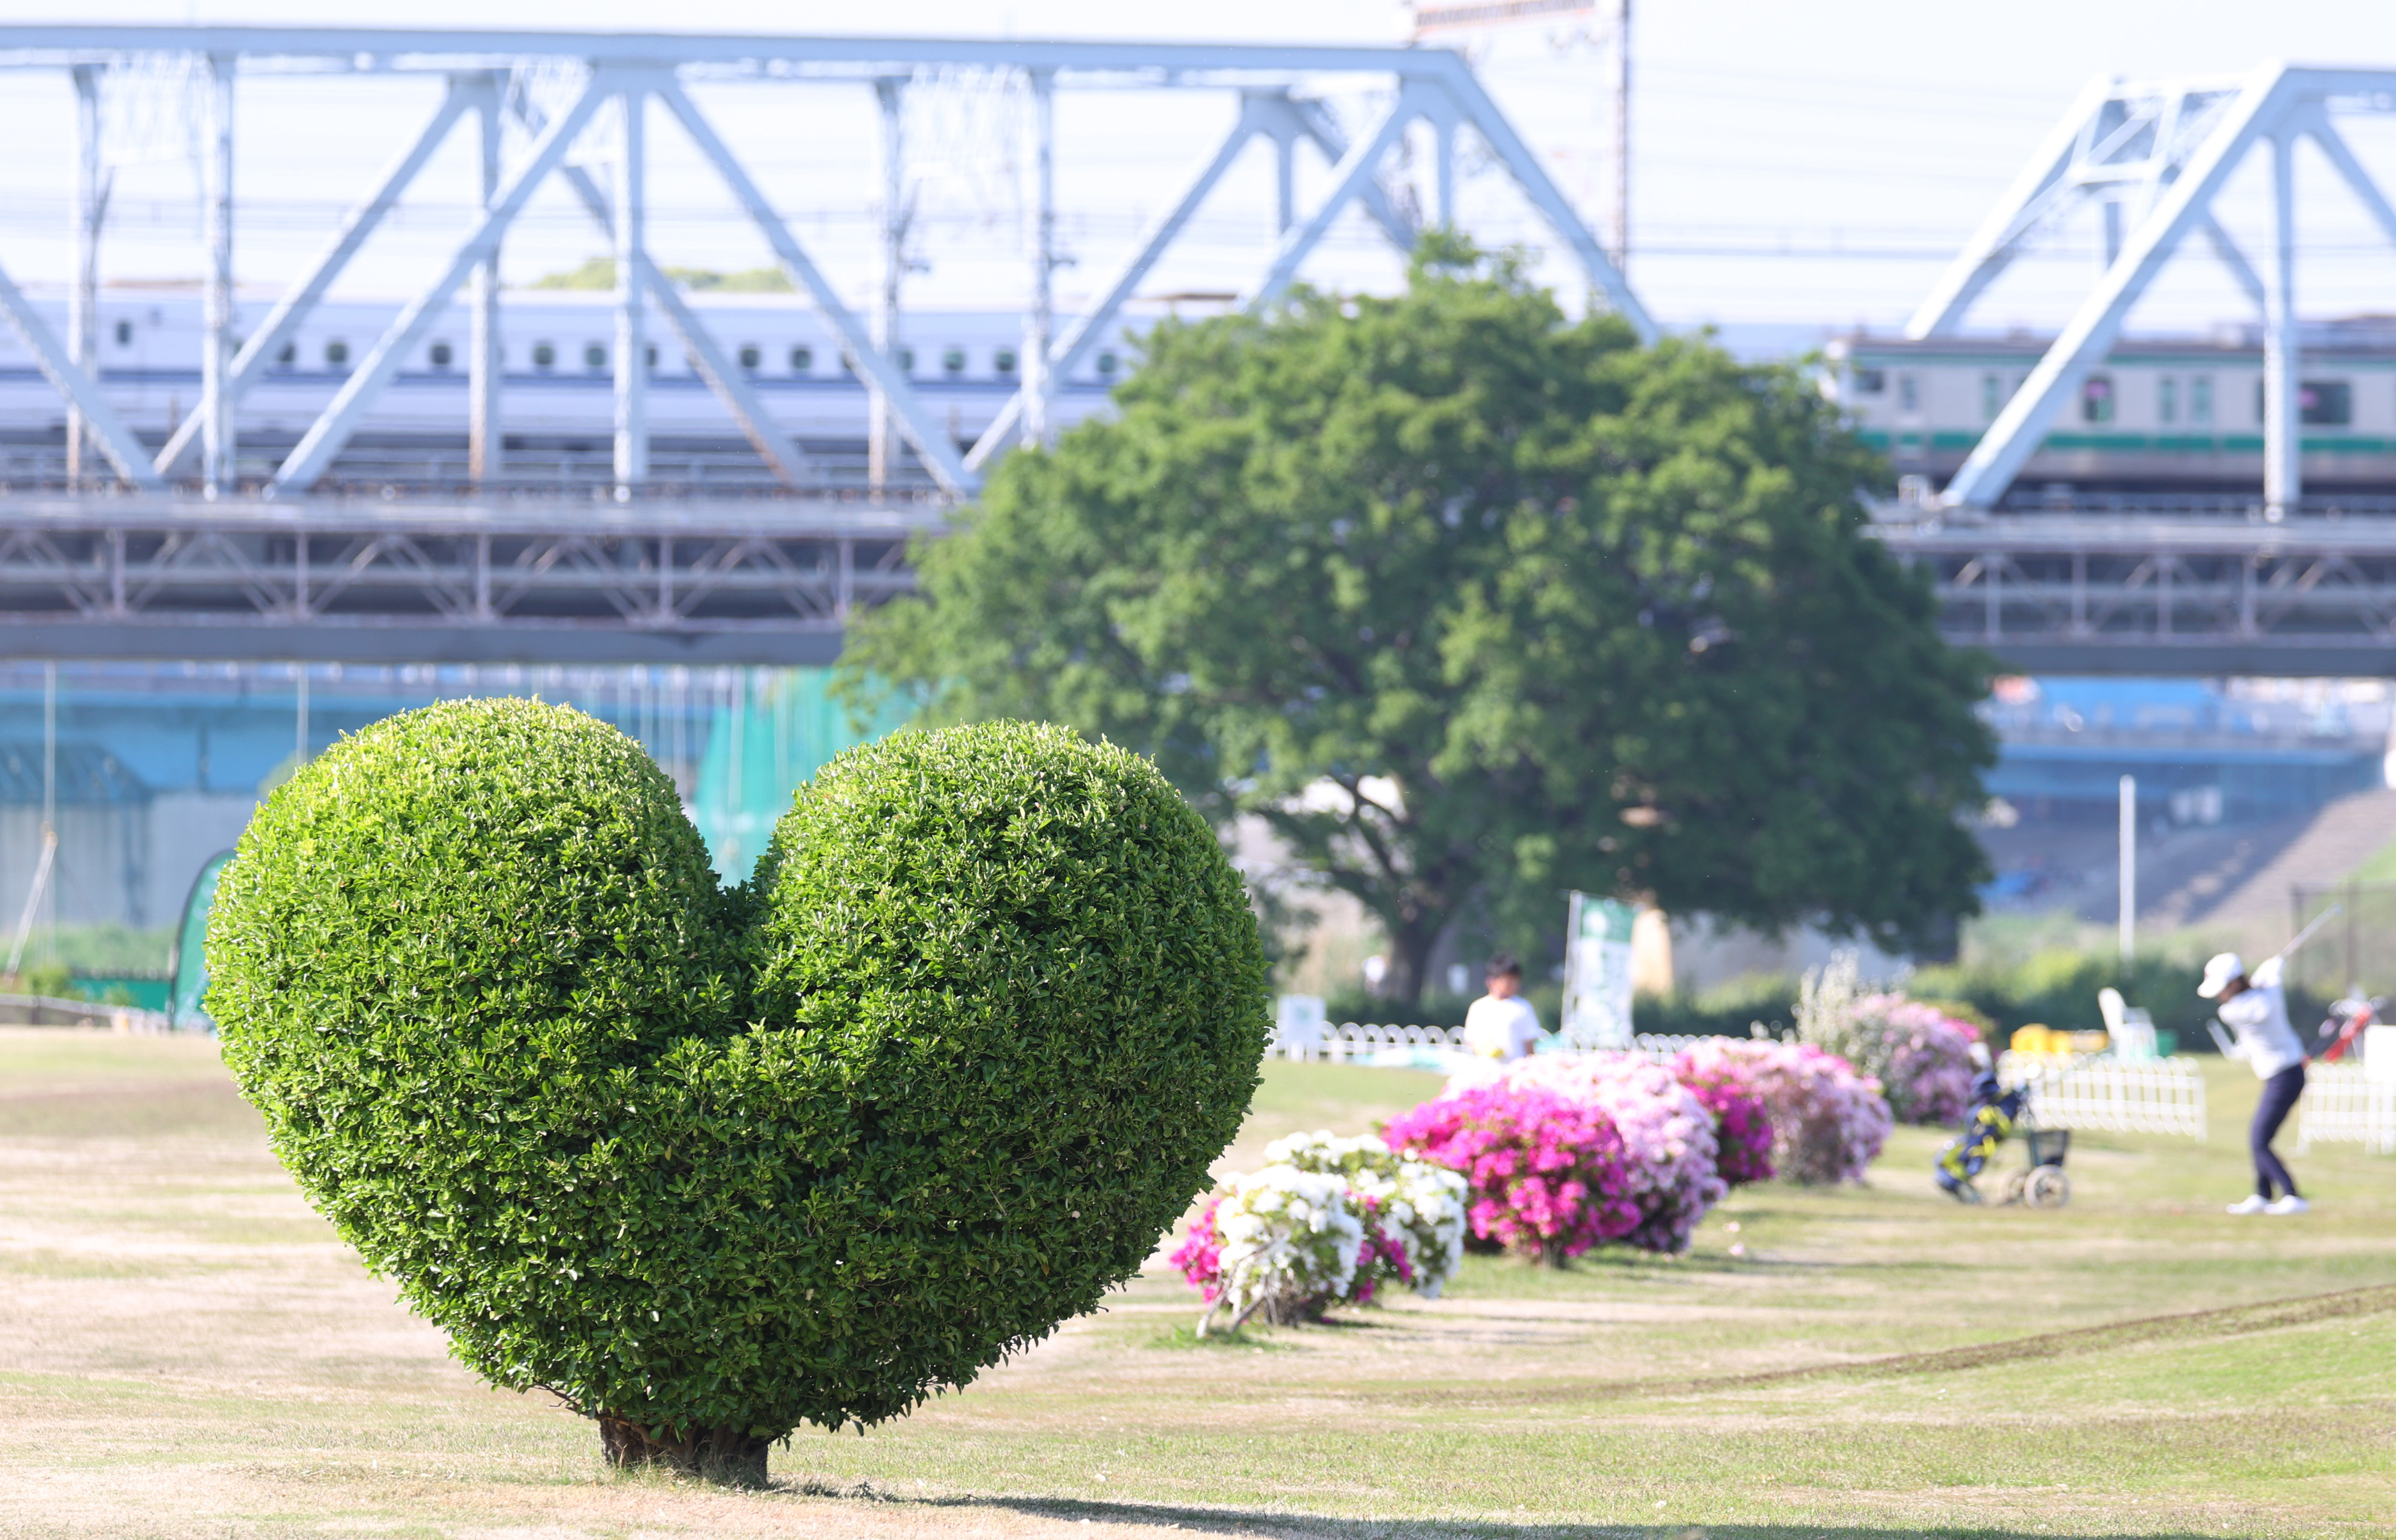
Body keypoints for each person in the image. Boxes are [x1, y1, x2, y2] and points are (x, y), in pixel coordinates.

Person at [2199, 951, 2310, 1215]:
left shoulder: (2257, 1001)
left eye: (2223, 988)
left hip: (2287, 1074)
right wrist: (2271, 975)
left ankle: (2292, 1196)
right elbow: (2264, 1001)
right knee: (2260, 1138)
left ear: (2236, 983)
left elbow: (2265, 1005)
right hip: (2279, 1075)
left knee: (2259, 1140)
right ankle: (2262, 1195)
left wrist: (2270, 975)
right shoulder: (2232, 1010)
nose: (2219, 995)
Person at [1462, 955, 1545, 1061]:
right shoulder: (1478, 1007)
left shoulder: (1523, 1007)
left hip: (1514, 1070)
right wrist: (1483, 1047)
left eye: (1516, 980)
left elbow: (1529, 1043)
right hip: (1486, 1071)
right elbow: (1470, 1039)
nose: (1513, 984)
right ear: (1492, 981)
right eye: (1509, 980)